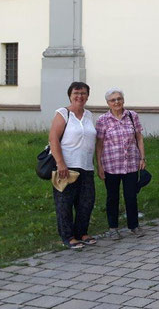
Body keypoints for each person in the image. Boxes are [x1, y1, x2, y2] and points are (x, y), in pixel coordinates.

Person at [49, 82, 97, 249]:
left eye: (83, 93)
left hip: (86, 166)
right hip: (67, 166)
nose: (80, 96)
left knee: (86, 201)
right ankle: (68, 236)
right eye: (76, 93)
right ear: (70, 95)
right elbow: (53, 138)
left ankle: (81, 232)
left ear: (87, 96)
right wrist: (60, 163)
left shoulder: (89, 115)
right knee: (65, 202)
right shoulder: (63, 113)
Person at [95, 87, 146, 240]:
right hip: (111, 165)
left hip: (131, 163)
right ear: (108, 103)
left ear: (123, 100)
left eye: (119, 99)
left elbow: (139, 138)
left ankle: (134, 226)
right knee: (112, 197)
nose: (116, 102)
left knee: (131, 196)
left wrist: (142, 158)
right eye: (113, 100)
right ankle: (113, 228)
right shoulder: (102, 120)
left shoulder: (132, 116)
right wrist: (99, 165)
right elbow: (99, 144)